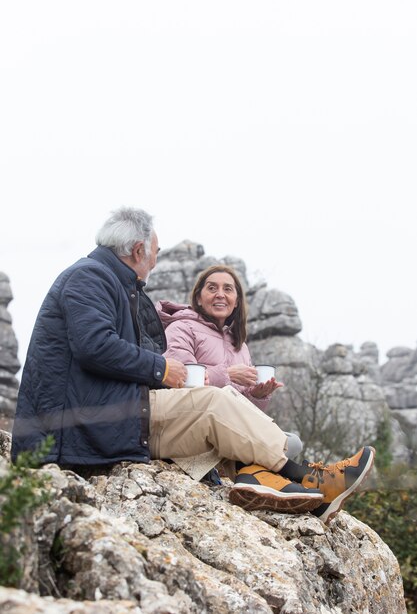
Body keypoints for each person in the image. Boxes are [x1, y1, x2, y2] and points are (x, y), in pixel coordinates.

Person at [11, 206, 375, 525]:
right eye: (154, 252)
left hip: (109, 417)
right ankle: (309, 478)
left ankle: (282, 483)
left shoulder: (114, 284)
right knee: (213, 402)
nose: (155, 260)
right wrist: (161, 369)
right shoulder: (90, 277)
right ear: (138, 250)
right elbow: (95, 346)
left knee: (219, 411)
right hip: (84, 424)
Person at [156, 265, 303, 460]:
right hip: (192, 424)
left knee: (293, 441)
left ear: (236, 301)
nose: (220, 294)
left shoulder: (239, 345)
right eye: (211, 288)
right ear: (199, 298)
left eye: (227, 289)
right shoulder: (181, 328)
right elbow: (183, 382)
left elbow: (243, 411)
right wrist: (228, 375)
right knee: (282, 445)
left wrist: (257, 395)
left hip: (231, 426)